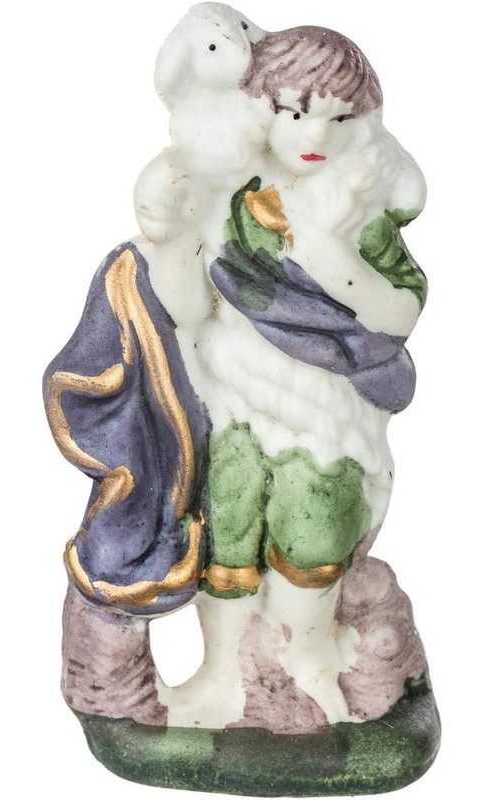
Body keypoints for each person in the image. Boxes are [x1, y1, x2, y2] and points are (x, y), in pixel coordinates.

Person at [186, 24, 429, 721]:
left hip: (325, 413)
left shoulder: (359, 212)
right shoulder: (235, 198)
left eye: (337, 117)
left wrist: (325, 247)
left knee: (312, 526)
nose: (313, 133)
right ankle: (225, 677)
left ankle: (306, 664)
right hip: (235, 400)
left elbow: (400, 312)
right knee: (226, 529)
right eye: (294, 111)